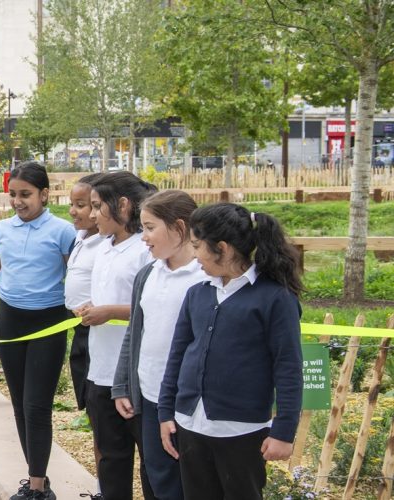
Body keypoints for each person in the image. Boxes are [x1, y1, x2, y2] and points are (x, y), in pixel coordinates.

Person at [158, 203, 304, 500]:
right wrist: (165, 411)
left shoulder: (276, 298)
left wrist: (284, 432)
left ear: (221, 248)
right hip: (190, 424)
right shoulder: (197, 293)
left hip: (241, 431)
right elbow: (178, 355)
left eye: (198, 246)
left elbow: (288, 367)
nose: (195, 255)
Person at [0, 162, 78, 500]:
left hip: (48, 321)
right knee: (19, 404)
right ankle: (35, 476)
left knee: (37, 404)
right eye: (13, 195)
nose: (18, 201)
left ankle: (38, 487)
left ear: (44, 194)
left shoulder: (64, 231)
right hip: (10, 319)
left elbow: (75, 275)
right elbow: (1, 269)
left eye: (25, 195)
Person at [111, 190, 204, 500]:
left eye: (150, 228)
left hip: (189, 401)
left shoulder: (205, 277)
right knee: (158, 476)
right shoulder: (148, 274)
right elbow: (135, 333)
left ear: (179, 227)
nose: (144, 237)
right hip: (151, 396)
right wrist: (122, 383)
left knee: (191, 480)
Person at [80, 171, 158, 500]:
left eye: (98, 206)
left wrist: (110, 311)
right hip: (101, 371)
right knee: (111, 458)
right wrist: (93, 309)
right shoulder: (103, 249)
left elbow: (153, 309)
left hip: (135, 376)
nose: (92, 214)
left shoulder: (145, 252)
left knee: (152, 462)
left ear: (122, 205)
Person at [65, 173, 105, 415]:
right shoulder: (80, 238)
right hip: (79, 328)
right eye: (71, 204)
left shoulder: (104, 244)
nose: (72, 211)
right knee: (87, 400)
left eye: (80, 205)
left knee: (97, 401)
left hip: (98, 328)